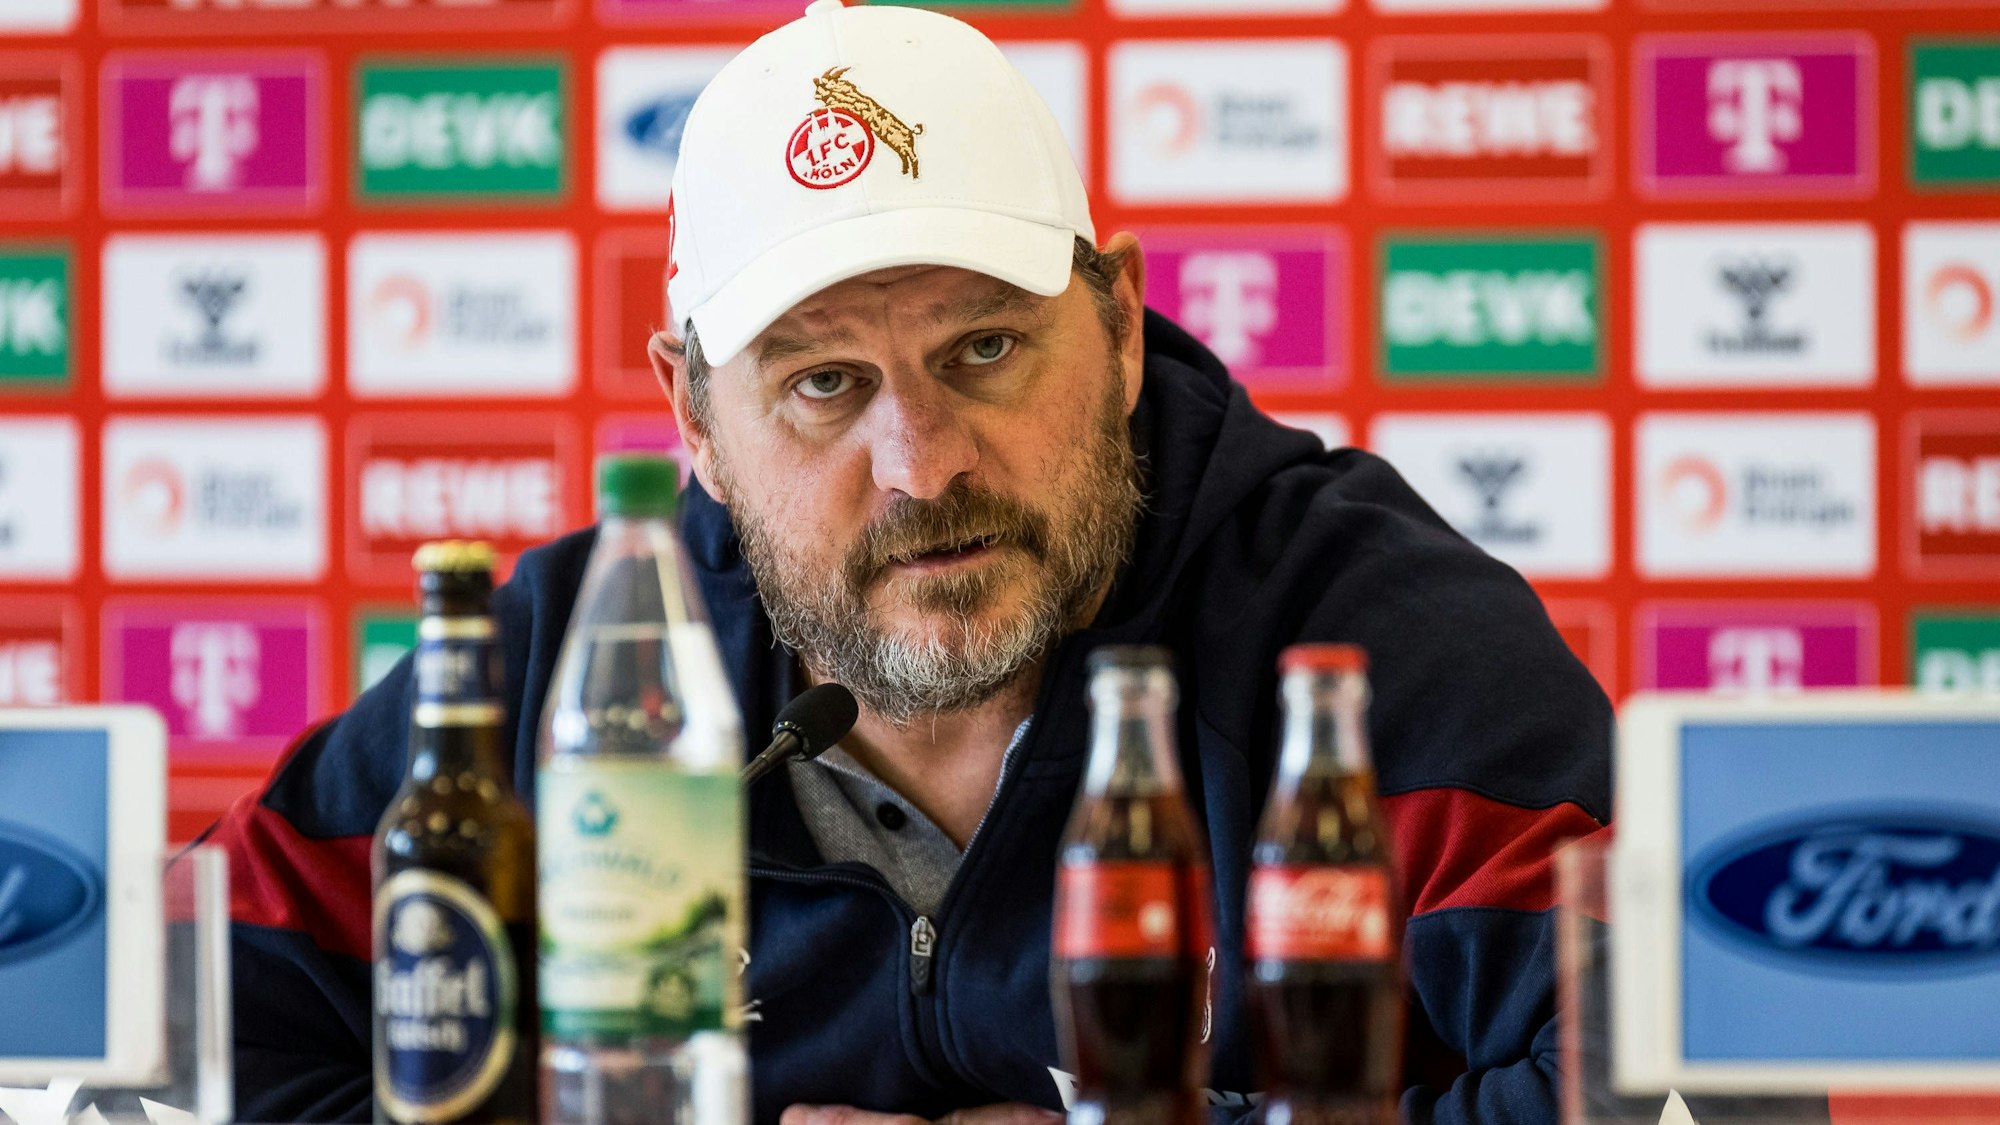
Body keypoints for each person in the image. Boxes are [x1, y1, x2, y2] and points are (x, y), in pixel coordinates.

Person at [204, 2, 1610, 1122]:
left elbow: (1661, 1084)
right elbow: (185, 1037)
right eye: (823, 384)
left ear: (1121, 331)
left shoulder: (1358, 649)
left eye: (985, 348)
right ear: (695, 420)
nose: (921, 465)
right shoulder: (576, 681)